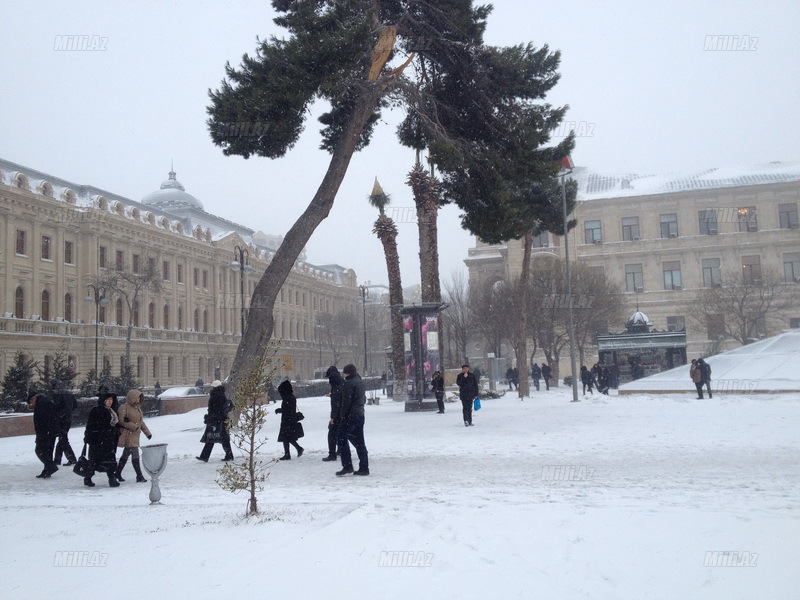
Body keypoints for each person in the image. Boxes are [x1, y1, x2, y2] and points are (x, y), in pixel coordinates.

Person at [336, 364, 369, 476]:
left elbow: (346, 402)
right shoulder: (359, 382)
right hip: (360, 414)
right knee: (360, 441)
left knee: (341, 438)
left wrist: (342, 415)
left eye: (344, 373)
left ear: (347, 373)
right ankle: (364, 467)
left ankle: (347, 466)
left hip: (351, 416)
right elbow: (362, 399)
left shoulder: (348, 383)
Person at [83, 392, 121, 487]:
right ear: (103, 401)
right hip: (98, 441)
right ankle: (89, 478)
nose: (110, 402)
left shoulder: (111, 411)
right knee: (95, 461)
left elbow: (112, 424)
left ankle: (111, 479)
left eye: (111, 400)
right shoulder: (97, 411)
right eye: (108, 400)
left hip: (108, 441)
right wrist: (89, 436)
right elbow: (92, 425)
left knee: (108, 460)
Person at [116, 389, 153, 482]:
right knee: (135, 454)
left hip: (135, 435)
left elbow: (141, 423)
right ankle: (139, 475)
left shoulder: (137, 408)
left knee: (126, 454)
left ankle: (117, 473)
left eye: (140, 397)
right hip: (128, 434)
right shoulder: (124, 407)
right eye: (137, 397)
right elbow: (121, 421)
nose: (139, 399)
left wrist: (147, 433)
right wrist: (133, 426)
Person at [197, 380, 235, 462]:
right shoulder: (221, 394)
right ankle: (228, 455)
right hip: (220, 419)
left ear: (214, 387)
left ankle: (205, 456)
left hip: (216, 420)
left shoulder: (215, 395)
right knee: (220, 438)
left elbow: (214, 408)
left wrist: (210, 417)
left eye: (212, 387)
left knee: (213, 438)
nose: (210, 388)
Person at [29, 391, 59, 478]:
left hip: (45, 432)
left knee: (39, 450)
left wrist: (46, 431)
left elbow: (45, 420)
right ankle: (47, 470)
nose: (31, 404)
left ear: (34, 398)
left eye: (31, 401)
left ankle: (51, 467)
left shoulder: (42, 405)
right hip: (49, 432)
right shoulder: (44, 403)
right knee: (48, 452)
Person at [275, 380, 304, 460]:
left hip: (287, 420)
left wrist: (279, 410)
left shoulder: (287, 398)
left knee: (286, 437)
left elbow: (287, 410)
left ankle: (290, 453)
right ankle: (295, 450)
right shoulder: (291, 397)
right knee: (288, 437)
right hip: (290, 420)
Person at [52, 381, 78, 467]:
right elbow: (75, 405)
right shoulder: (69, 393)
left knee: (63, 439)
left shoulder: (58, 394)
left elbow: (56, 407)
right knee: (62, 438)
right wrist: (69, 412)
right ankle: (57, 459)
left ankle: (72, 458)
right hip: (68, 419)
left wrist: (59, 414)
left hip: (61, 419)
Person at [323, 366, 344, 461]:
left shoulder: (336, 388)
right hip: (344, 414)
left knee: (332, 434)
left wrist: (333, 418)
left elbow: (336, 405)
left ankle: (332, 454)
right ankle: (340, 450)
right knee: (341, 434)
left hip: (338, 415)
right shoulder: (342, 384)